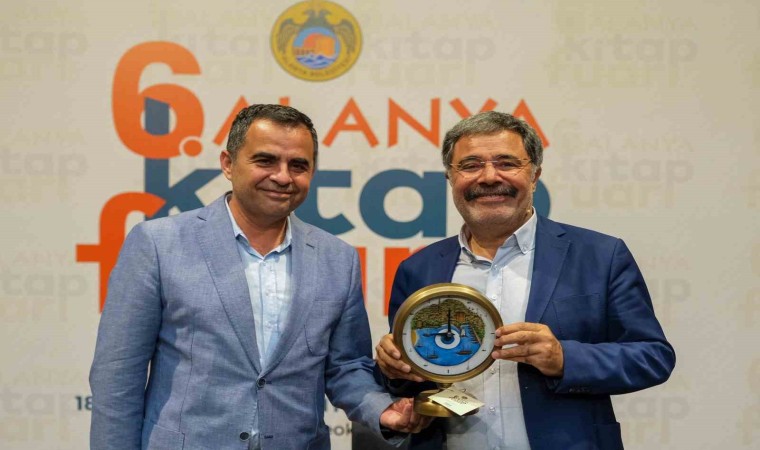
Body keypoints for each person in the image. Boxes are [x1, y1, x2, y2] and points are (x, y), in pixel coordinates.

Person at [90, 104, 426, 450]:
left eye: (298, 165)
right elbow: (118, 374)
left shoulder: (338, 259)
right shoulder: (158, 244)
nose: (282, 177)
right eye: (265, 161)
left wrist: (382, 410)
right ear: (228, 163)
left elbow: (346, 367)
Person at [375, 111, 676, 450]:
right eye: (470, 165)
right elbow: (412, 382)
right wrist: (394, 368)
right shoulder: (419, 268)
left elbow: (652, 357)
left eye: (507, 163)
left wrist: (563, 358)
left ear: (534, 175)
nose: (489, 177)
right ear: (450, 178)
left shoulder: (600, 256)